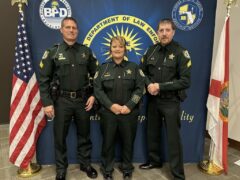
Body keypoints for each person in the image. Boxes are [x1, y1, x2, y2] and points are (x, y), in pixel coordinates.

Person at [38, 17, 98, 180]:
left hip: (82, 100)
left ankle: (85, 164)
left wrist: (93, 95)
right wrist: (47, 103)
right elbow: (43, 79)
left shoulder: (86, 52)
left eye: (74, 28)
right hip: (61, 101)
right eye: (68, 27)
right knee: (59, 137)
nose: (72, 30)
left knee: (84, 135)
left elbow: (97, 76)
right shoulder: (53, 52)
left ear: (77, 31)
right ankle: (61, 169)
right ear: (61, 30)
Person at [139, 18, 192, 180]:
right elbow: (142, 72)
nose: (164, 33)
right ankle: (155, 161)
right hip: (153, 100)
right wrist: (149, 85)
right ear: (157, 32)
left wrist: (160, 87)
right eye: (161, 30)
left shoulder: (180, 52)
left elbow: (185, 81)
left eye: (167, 30)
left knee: (173, 139)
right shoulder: (150, 51)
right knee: (152, 133)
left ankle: (177, 174)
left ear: (173, 32)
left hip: (171, 101)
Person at [94, 36, 145, 180]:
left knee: (128, 142)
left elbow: (140, 89)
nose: (117, 49)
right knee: (108, 142)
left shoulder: (134, 68)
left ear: (125, 49)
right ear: (110, 49)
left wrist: (129, 106)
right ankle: (107, 169)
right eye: (114, 46)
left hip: (128, 114)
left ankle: (127, 168)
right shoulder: (103, 68)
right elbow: (98, 90)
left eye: (120, 46)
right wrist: (111, 106)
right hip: (108, 114)